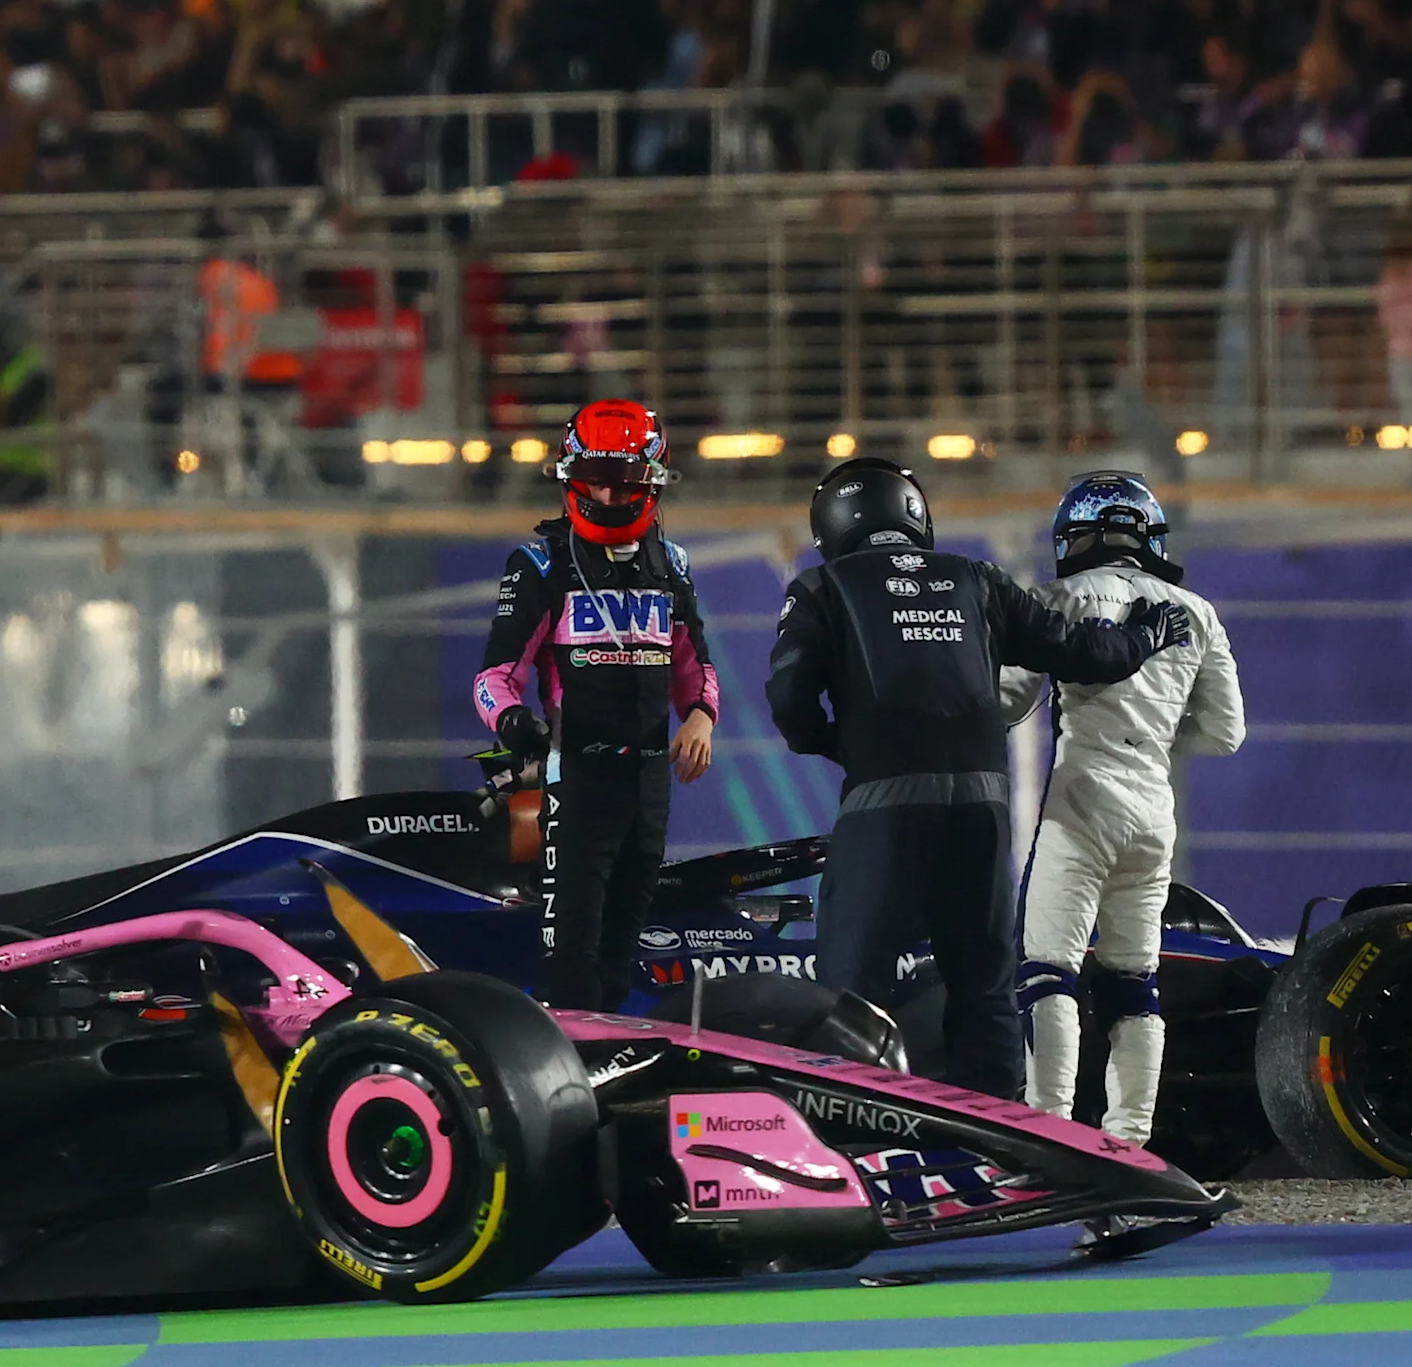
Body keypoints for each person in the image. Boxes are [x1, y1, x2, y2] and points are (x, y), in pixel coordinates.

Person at [765, 454, 1189, 1095]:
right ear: (915, 516)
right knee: (984, 984)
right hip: (980, 808)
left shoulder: (822, 589)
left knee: (850, 992)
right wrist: (1145, 635)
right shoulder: (976, 579)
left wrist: (839, 746)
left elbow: (788, 699)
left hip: (883, 806)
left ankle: (853, 1147)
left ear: (831, 526)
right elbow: (1080, 651)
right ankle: (999, 1154)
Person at [1001, 474, 1243, 1149]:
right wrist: (1158, 737)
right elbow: (1226, 733)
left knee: (1048, 967)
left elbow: (1005, 701)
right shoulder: (1197, 611)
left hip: (1084, 795)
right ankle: (1129, 1142)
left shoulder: (1062, 596)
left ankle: (1048, 1133)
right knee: (1134, 979)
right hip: (1152, 806)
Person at [474, 398, 719, 1012]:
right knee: (572, 964)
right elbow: (494, 677)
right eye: (596, 484)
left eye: (625, 484)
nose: (610, 498)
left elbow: (698, 672)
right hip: (575, 780)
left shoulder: (674, 566)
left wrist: (701, 717)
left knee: (620, 957)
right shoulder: (538, 563)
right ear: (569, 480)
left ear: (653, 482)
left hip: (649, 784)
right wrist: (512, 723)